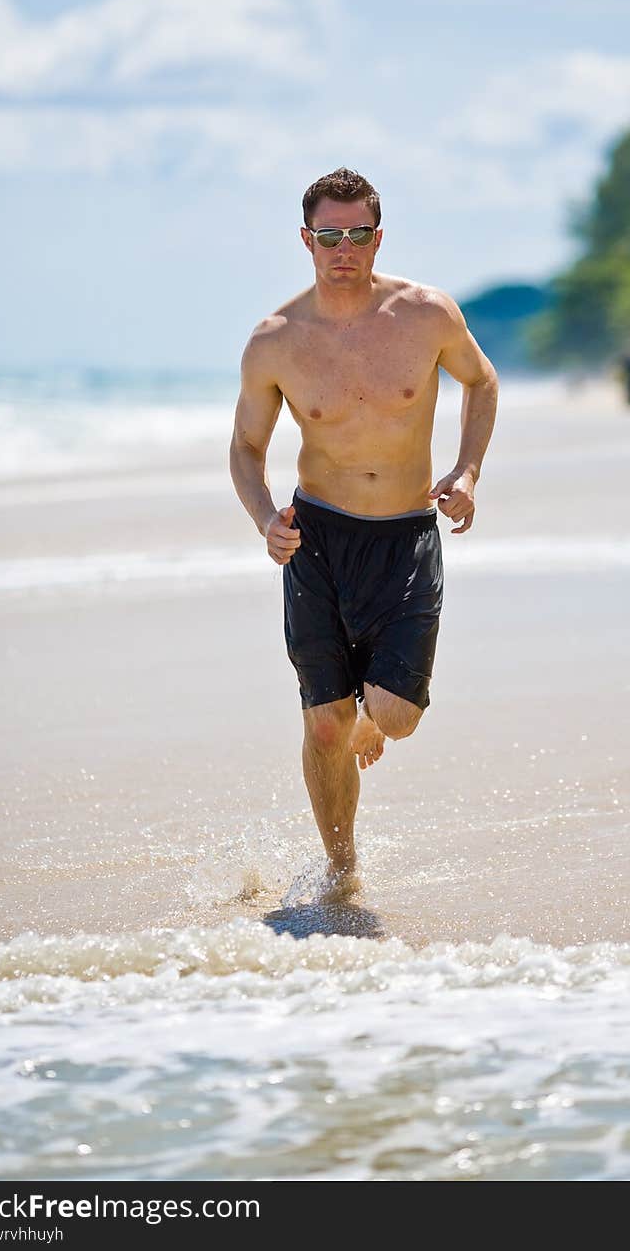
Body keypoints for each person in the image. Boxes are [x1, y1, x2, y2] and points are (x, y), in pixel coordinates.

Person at [229, 168, 499, 900]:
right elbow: (246, 450)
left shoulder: (427, 315)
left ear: (377, 238)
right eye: (328, 235)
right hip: (316, 539)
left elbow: (482, 381)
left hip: (406, 536)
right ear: (306, 241)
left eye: (356, 235)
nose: (342, 248)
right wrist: (264, 521)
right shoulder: (276, 340)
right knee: (324, 727)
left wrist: (467, 471)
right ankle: (343, 871)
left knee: (394, 717)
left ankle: (368, 720)